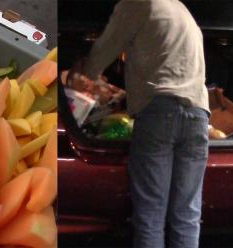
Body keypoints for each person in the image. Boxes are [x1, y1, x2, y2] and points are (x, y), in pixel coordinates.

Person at [69, 0, 210, 247]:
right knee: (187, 215)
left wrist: (84, 73)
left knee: (151, 216)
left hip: (160, 114)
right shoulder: (179, 8)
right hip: (198, 115)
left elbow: (105, 48)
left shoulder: (137, 4)